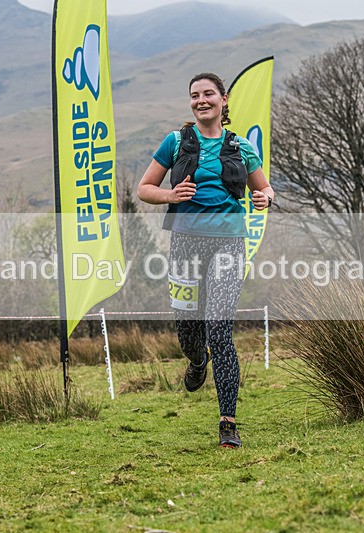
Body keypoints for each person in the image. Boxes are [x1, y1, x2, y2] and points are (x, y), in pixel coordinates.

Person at [137, 72, 274, 448]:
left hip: (229, 243)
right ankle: (197, 362)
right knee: (189, 331)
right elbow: (144, 189)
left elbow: (263, 188)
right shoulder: (176, 141)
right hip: (185, 243)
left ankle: (228, 423)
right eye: (195, 95)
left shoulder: (241, 146)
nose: (201, 100)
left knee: (219, 328)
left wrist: (265, 198)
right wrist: (170, 196)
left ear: (223, 100)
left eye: (208, 94)